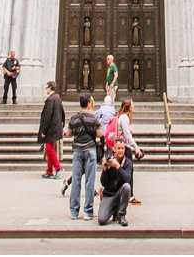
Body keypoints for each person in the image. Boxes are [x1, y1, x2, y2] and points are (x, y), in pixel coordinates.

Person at [64, 91, 101, 220]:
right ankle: (88, 211)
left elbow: (68, 133)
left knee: (76, 180)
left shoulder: (74, 117)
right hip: (90, 150)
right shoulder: (94, 117)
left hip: (77, 151)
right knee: (90, 181)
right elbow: (100, 134)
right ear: (90, 103)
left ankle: (74, 211)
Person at [114, 96, 145, 204]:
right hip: (125, 148)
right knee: (128, 171)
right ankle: (129, 195)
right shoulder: (124, 118)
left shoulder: (123, 117)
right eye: (132, 103)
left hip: (125, 146)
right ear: (128, 106)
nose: (134, 105)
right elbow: (127, 136)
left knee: (126, 171)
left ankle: (127, 194)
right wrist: (136, 148)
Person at [96, 140, 132, 227]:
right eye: (118, 148)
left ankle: (121, 215)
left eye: (122, 148)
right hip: (109, 194)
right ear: (114, 150)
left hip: (119, 193)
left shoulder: (128, 162)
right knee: (101, 220)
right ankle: (114, 209)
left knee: (127, 187)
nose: (121, 151)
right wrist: (105, 169)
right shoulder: (110, 161)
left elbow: (127, 179)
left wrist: (117, 166)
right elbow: (104, 183)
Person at [37, 79, 65, 178]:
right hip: (56, 127)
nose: (46, 89)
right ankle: (49, 171)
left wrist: (43, 131)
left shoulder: (50, 100)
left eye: (46, 87)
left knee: (49, 148)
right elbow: (62, 112)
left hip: (51, 128)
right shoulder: (57, 98)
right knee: (49, 148)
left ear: (49, 87)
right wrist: (63, 124)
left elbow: (47, 116)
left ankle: (58, 168)